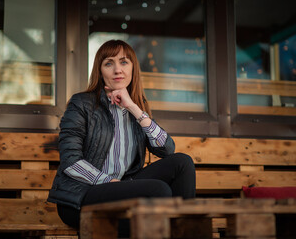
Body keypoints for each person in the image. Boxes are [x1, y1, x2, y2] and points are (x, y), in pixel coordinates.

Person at [47, 39, 196, 230]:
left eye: (124, 62)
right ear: (100, 71)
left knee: (182, 163)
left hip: (123, 188)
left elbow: (167, 149)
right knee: (158, 190)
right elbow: (71, 162)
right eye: (109, 63)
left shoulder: (136, 106)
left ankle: (183, 232)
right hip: (83, 197)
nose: (118, 70)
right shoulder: (81, 104)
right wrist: (109, 182)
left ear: (133, 68)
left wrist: (133, 107)